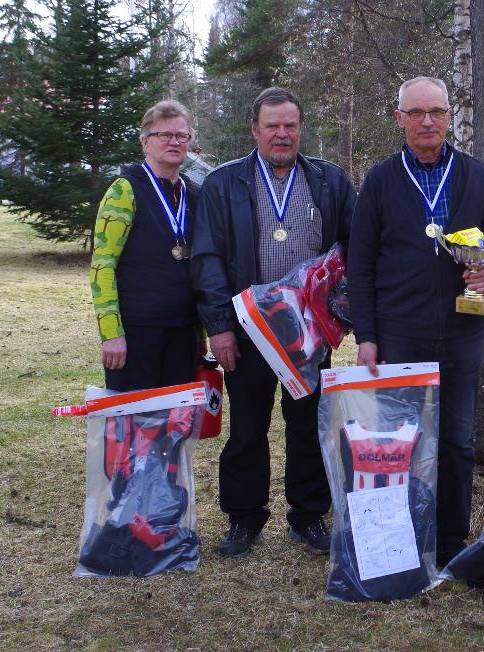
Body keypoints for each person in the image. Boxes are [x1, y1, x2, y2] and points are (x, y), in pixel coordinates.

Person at [347, 76, 484, 584]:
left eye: (436, 112)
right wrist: (366, 335)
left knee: (457, 442)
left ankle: (452, 544)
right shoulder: (379, 181)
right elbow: (361, 264)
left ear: (449, 116)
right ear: (399, 118)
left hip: (461, 332)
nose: (426, 122)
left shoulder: (476, 178)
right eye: (415, 112)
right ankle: (398, 540)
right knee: (399, 440)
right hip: (398, 333)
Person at [190, 87, 356, 557]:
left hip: (307, 330)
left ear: (300, 128)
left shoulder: (329, 180)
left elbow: (354, 250)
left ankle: (308, 517)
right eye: (272, 126)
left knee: (308, 425)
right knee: (247, 426)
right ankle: (243, 519)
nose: (282, 134)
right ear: (254, 130)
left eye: (290, 125)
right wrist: (219, 326)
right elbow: (207, 260)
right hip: (247, 330)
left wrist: (339, 315)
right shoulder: (224, 184)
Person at [90, 100, 201, 391]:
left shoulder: (195, 193)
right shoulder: (123, 190)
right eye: (164, 135)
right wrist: (111, 334)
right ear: (145, 141)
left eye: (181, 136)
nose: (174, 142)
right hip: (137, 332)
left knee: (177, 429)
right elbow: (102, 266)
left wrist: (200, 333)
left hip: (184, 330)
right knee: (135, 428)